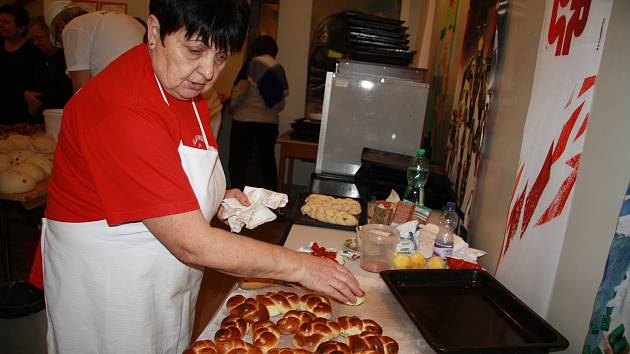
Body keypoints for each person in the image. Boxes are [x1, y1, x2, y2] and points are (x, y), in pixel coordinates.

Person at [32, 0, 362, 352]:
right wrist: (302, 268)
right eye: (195, 50)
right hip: (111, 288)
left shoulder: (184, 90)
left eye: (220, 58)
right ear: (155, 31)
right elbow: (191, 242)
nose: (207, 72)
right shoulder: (122, 109)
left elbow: (170, 174)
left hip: (162, 277)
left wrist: (216, 197)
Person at [228, 35, 288, 191]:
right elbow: (280, 103)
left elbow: (239, 92)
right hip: (269, 123)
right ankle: (270, 197)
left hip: (245, 120)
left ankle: (237, 194)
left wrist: (233, 106)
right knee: (267, 162)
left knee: (239, 161)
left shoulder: (251, 64)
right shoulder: (278, 68)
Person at [45, 0, 145, 92]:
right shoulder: (116, 18)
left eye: (60, 40)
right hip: (144, 93)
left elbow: (81, 90)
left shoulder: (73, 27)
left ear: (61, 26)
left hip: (120, 96)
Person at [0, 4, 43, 125]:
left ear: (21, 28)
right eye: (0, 21)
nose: (1, 25)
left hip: (23, 115)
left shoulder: (34, 50)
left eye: (6, 22)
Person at [23, 16, 73, 118]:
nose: (36, 43)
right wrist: (27, 94)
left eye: (38, 38)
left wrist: (40, 99)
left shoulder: (68, 55)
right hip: (39, 117)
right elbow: (26, 81)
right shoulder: (35, 54)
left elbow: (67, 90)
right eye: (32, 39)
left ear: (52, 34)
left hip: (62, 114)